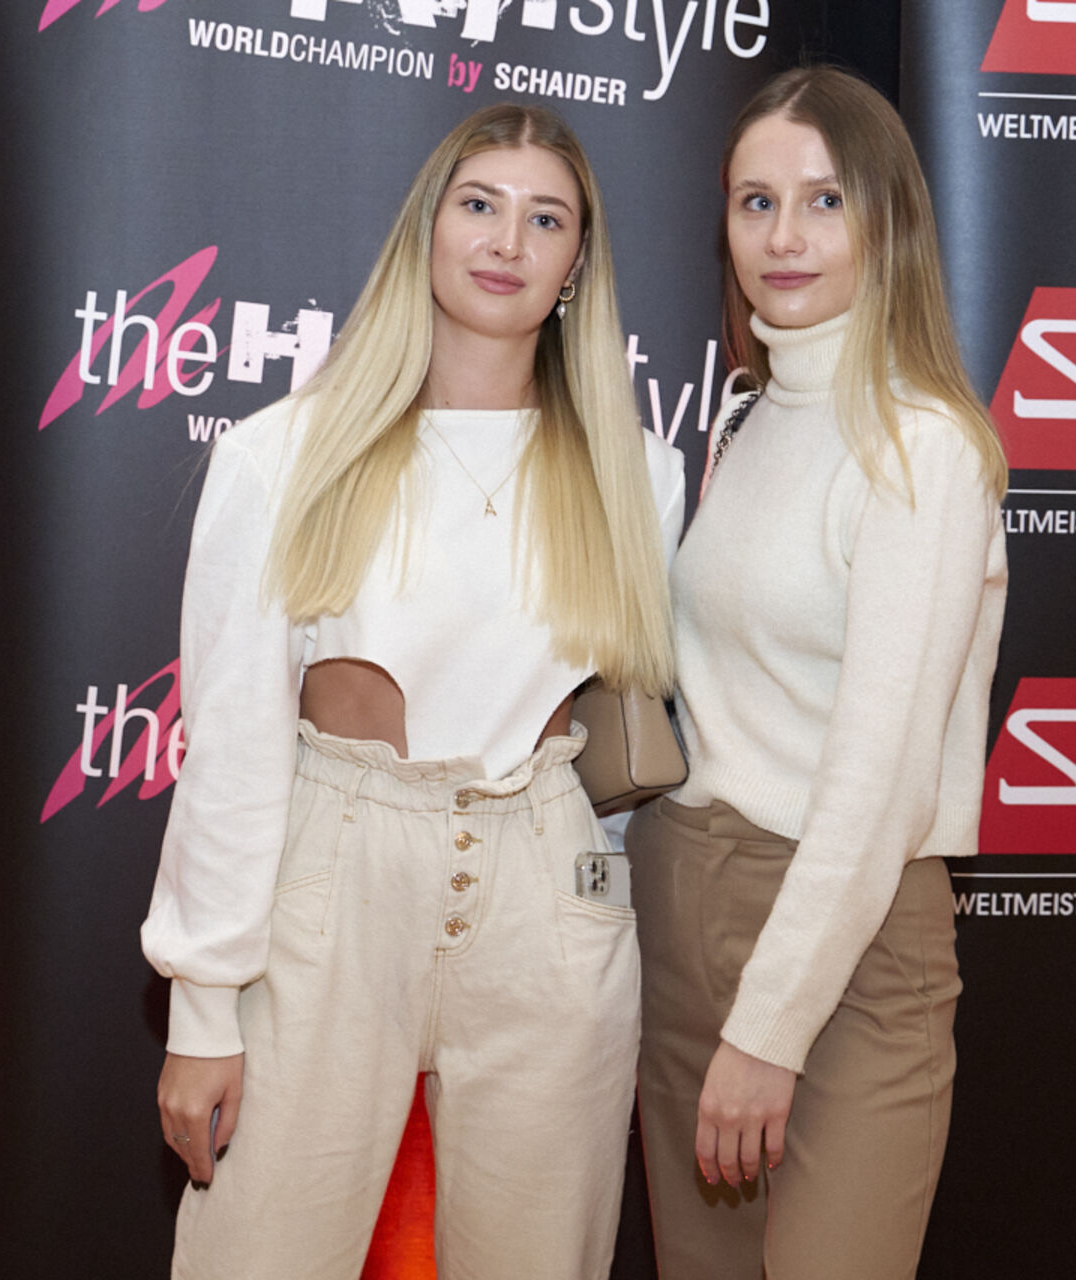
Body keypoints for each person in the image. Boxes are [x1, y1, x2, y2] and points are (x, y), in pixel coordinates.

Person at [139, 103, 685, 1280]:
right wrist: (203, 1009)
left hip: (551, 892)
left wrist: (595, 895)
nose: (508, 240)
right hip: (334, 882)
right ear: (428, 226)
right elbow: (232, 746)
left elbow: (621, 747)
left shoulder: (641, 474)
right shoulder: (283, 454)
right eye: (480, 204)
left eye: (547, 219)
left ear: (577, 263)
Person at [627, 66, 1009, 1279]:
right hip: (686, 901)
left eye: (824, 200)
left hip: (853, 940)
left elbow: (881, 778)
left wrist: (770, 1027)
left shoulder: (922, 444)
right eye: (756, 202)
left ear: (887, 219)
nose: (783, 236)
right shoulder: (746, 417)